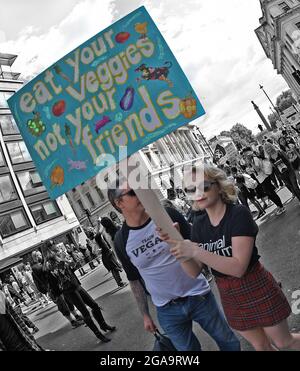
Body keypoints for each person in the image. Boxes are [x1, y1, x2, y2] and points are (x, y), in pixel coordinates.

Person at [160, 163, 300, 351]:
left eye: (203, 186)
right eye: (190, 189)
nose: (197, 193)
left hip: (255, 284)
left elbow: (238, 268)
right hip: (229, 294)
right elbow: (193, 271)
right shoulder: (199, 224)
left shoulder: (238, 213)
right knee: (261, 346)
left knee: (284, 342)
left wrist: (195, 250)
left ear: (218, 185)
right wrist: (175, 243)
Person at [107, 177, 240, 351]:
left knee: (228, 342)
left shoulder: (167, 215)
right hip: (167, 310)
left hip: (198, 295)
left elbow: (198, 244)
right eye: (133, 192)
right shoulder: (121, 240)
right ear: (119, 203)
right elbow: (134, 280)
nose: (140, 194)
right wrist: (145, 315)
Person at [46, 246, 116, 343]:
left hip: (76, 285)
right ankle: (98, 334)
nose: (60, 250)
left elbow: (72, 268)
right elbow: (59, 273)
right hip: (69, 291)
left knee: (94, 305)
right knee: (85, 313)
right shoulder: (50, 264)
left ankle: (103, 324)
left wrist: (71, 263)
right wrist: (63, 260)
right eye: (57, 249)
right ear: (52, 252)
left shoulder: (60, 259)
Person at [31, 251, 83, 329]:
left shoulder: (42, 263)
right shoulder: (35, 267)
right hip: (52, 289)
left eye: (40, 255)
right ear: (35, 257)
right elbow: (44, 270)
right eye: (38, 255)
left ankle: (76, 316)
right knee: (63, 305)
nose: (41, 256)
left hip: (58, 286)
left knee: (68, 302)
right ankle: (72, 321)